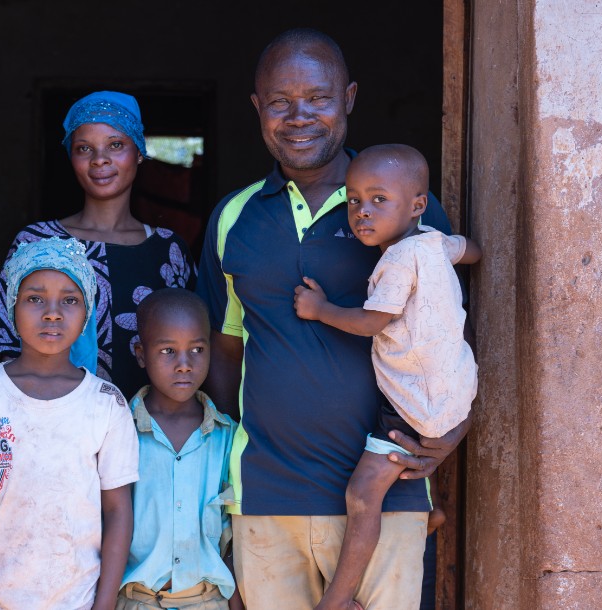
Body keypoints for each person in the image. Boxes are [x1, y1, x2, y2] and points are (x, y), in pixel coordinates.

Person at [196, 28, 472, 610]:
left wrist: (450, 433)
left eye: (318, 98)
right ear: (257, 107)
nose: (299, 116)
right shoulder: (234, 218)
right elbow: (224, 351)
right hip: (267, 496)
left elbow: (450, 341)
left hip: (389, 490)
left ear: (348, 98)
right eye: (279, 101)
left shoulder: (409, 217)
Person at [293, 144, 482, 610]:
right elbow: (472, 251)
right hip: (454, 385)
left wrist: (321, 310)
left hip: (415, 398)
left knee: (362, 494)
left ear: (418, 204)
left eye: (379, 199)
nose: (362, 212)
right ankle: (430, 513)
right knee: (407, 459)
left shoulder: (398, 259)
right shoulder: (435, 242)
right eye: (354, 200)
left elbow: (372, 321)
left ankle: (335, 599)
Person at [0, 236, 139, 610]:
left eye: (70, 300)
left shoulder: (106, 404)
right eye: (34, 298)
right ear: (11, 306)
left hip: (76, 601)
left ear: (88, 313)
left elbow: (118, 510)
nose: (52, 312)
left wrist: (105, 603)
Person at [0, 90, 198, 399]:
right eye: (84, 148)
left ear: (139, 152)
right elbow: (4, 346)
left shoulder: (169, 250)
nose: (100, 160)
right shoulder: (37, 242)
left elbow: (195, 345)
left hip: (149, 434)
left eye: (116, 145)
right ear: (72, 157)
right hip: (55, 430)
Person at [117, 288, 243, 610]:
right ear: (141, 353)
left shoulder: (226, 437)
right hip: (136, 601)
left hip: (209, 600)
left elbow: (236, 536)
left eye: (197, 349)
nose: (185, 364)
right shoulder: (119, 431)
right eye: (168, 351)